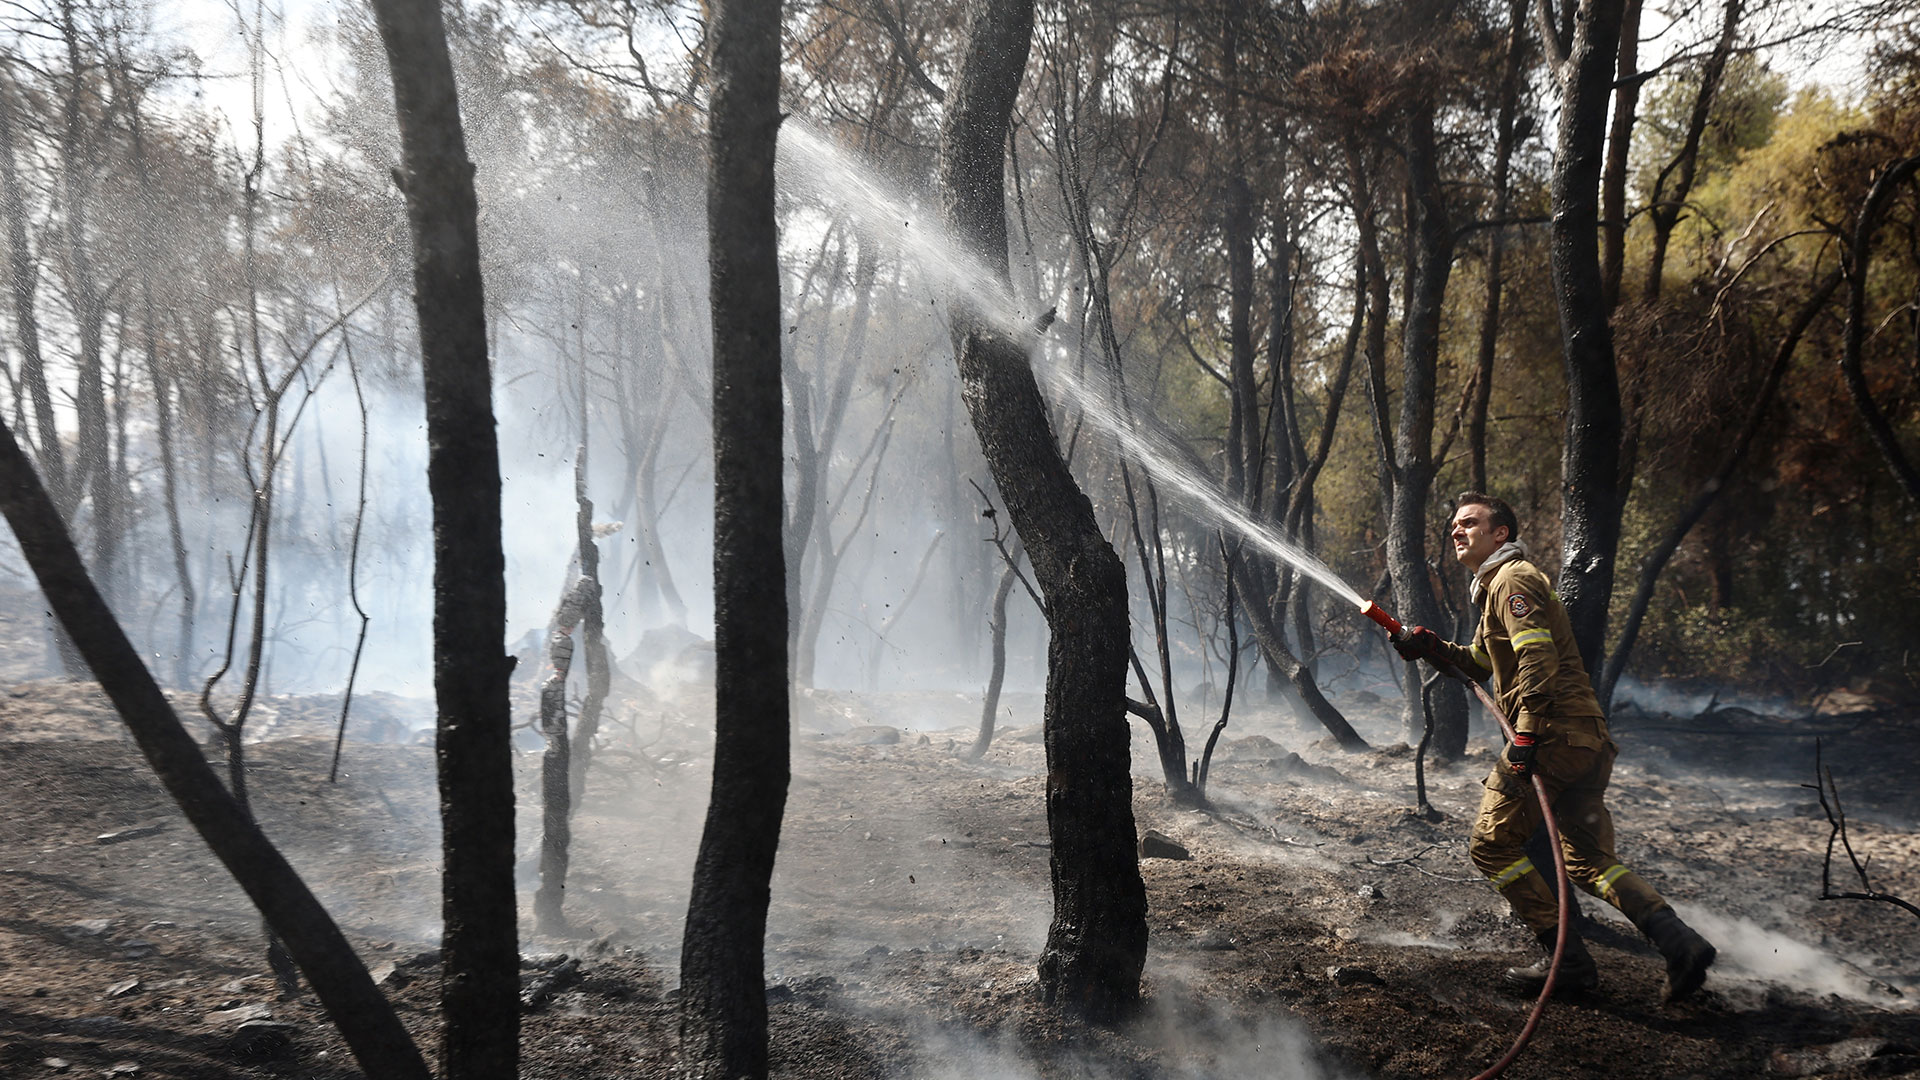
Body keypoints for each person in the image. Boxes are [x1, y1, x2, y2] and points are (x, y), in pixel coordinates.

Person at [1393, 492, 1716, 1002]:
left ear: (1500, 533)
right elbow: (1480, 662)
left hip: (1551, 733)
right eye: (1454, 525)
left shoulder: (1512, 580)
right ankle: (1681, 943)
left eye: (1470, 523)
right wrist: (1432, 649)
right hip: (1583, 736)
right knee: (1587, 860)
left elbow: (1536, 660)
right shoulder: (1494, 587)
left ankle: (1567, 962)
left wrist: (1525, 735)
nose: (1457, 531)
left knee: (1491, 845)